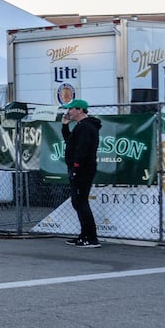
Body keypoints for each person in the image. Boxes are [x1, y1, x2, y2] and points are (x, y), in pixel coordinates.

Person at [62, 99, 101, 248]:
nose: (68, 112)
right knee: (77, 201)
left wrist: (76, 167)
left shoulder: (86, 127)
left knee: (80, 201)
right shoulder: (81, 126)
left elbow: (82, 150)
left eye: (71, 109)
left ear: (79, 110)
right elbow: (70, 142)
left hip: (83, 169)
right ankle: (85, 234)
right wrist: (65, 126)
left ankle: (91, 237)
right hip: (80, 168)